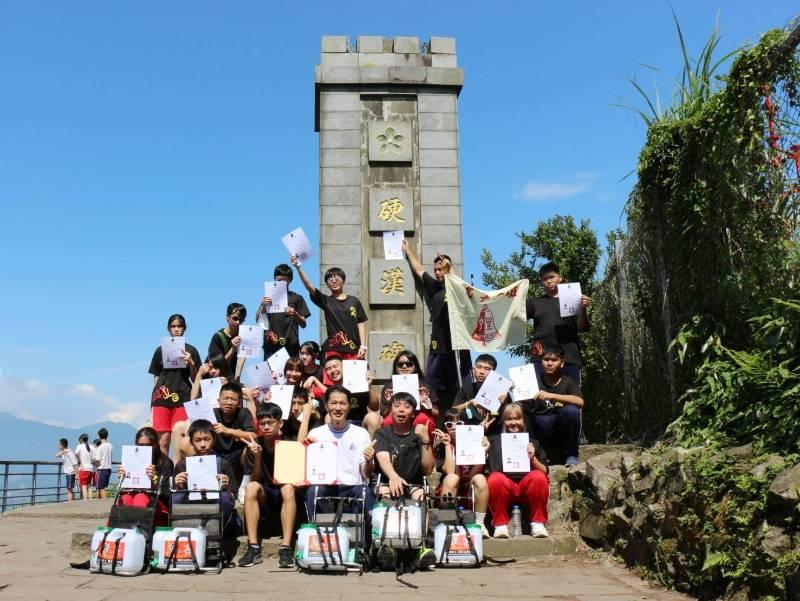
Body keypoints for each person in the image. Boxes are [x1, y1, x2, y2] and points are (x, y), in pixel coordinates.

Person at [402, 240, 472, 410]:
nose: (438, 272)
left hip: (457, 346)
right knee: (432, 387)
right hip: (438, 346)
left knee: (461, 387)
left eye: (442, 269)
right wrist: (408, 250)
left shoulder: (459, 287)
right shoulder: (435, 287)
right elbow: (419, 270)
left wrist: (451, 271)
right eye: (436, 270)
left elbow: (468, 296)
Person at [373, 391, 436, 568]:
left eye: (407, 407)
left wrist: (425, 440)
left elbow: (428, 469)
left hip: (413, 483)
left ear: (413, 413)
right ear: (390, 410)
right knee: (384, 492)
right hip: (387, 481)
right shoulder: (382, 433)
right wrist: (393, 477)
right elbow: (383, 459)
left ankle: (421, 547)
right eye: (397, 406)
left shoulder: (419, 435)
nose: (401, 410)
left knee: (421, 495)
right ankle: (386, 546)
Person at [238, 403, 299, 568]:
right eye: (262, 423)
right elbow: (255, 478)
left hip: (285, 493)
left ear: (280, 423)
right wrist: (257, 457)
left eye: (270, 423)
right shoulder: (254, 444)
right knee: (251, 487)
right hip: (265, 494)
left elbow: (294, 477)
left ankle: (285, 548)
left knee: (287, 488)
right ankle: (253, 547)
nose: (265, 427)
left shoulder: (289, 442)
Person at [304, 385, 375, 525]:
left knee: (364, 491)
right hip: (326, 485)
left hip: (352, 486)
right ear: (326, 406)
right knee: (314, 490)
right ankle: (321, 537)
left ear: (349, 407)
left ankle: (364, 543)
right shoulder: (316, 434)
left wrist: (369, 461)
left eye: (343, 403)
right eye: (333, 403)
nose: (338, 408)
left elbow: (366, 474)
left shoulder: (361, 433)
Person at [486, 403, 550, 539]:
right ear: (504, 421)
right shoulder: (493, 441)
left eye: (517, 418)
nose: (513, 422)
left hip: (527, 486)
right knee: (494, 478)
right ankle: (500, 525)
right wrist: (483, 445)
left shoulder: (533, 442)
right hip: (504, 487)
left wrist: (533, 459)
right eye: (509, 419)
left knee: (539, 477)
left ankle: (538, 523)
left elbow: (545, 470)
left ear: (523, 420)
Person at [525, 262, 590, 384]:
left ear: (560, 277)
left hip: (569, 357)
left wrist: (583, 309)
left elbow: (583, 328)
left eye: (551, 277)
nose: (549, 281)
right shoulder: (534, 303)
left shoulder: (575, 299)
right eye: (545, 279)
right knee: (539, 398)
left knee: (570, 397)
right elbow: (516, 318)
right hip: (541, 357)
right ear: (541, 281)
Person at [173, 419, 238, 540]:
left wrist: (225, 486)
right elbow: (176, 493)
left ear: (214, 440)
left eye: (207, 439)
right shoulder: (182, 465)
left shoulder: (223, 464)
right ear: (191, 442)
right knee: (175, 497)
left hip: (215, 499)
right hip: (192, 500)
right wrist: (178, 485)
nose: (203, 444)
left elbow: (233, 495)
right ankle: (184, 534)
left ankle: (215, 535)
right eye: (197, 440)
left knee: (225, 497)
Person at [292, 257, 368, 360]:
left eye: (337, 278)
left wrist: (363, 346)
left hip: (354, 349)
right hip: (334, 350)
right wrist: (298, 267)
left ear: (343, 281)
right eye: (330, 279)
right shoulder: (326, 301)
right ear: (327, 284)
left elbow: (360, 324)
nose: (334, 281)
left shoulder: (354, 301)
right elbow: (309, 287)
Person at [148, 314, 202, 454]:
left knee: (180, 439)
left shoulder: (191, 350)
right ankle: (164, 474)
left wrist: (191, 363)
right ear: (168, 329)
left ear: (185, 328)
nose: (176, 329)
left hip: (183, 398)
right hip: (161, 398)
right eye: (173, 326)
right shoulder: (160, 350)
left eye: (179, 326)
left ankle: (179, 473)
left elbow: (196, 378)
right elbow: (156, 376)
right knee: (163, 440)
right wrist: (154, 396)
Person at [524, 345, 584, 467]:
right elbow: (522, 406)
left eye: (554, 360)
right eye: (546, 360)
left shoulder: (568, 381)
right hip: (538, 428)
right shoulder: (532, 381)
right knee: (518, 409)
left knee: (571, 411)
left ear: (561, 363)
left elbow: (580, 402)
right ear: (541, 362)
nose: (549, 363)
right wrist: (517, 390)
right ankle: (526, 455)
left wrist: (551, 396)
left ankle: (571, 455)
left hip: (558, 427)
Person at [434, 411, 491, 538]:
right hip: (449, 490)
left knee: (480, 478)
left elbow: (472, 476)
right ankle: (446, 523)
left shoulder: (476, 443)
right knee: (452, 478)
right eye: (449, 424)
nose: (454, 427)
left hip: (469, 491)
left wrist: (483, 453)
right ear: (445, 428)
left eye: (459, 423)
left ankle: (480, 523)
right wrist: (447, 446)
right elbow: (449, 472)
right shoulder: (441, 447)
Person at [363, 350, 437, 439]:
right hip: (397, 417)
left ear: (416, 366)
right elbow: (384, 414)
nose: (404, 366)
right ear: (395, 367)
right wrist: (390, 402)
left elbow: (436, 412)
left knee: (422, 419)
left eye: (409, 364)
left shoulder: (425, 386)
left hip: (420, 415)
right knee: (388, 422)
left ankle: (426, 448)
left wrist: (423, 403)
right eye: (400, 364)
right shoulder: (389, 387)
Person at [116, 426, 174, 526]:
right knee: (125, 498)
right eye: (140, 445)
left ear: (156, 444)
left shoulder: (165, 463)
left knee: (140, 498)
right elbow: (125, 489)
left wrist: (154, 483)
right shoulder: (130, 460)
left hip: (157, 503)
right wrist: (123, 478)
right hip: (133, 497)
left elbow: (167, 495)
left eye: (148, 445)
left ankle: (141, 533)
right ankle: (119, 534)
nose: (144, 449)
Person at [255, 263, 311, 360]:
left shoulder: (297, 298)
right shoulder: (267, 298)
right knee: (272, 375)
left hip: (291, 347)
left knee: (292, 374)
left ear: (290, 280)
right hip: (271, 347)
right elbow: (258, 320)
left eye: (285, 281)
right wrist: (263, 305)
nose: (281, 283)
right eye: (279, 280)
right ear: (274, 279)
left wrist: (295, 314)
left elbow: (303, 324)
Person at [452, 354, 509, 435]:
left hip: (494, 437)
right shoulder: (466, 389)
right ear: (474, 369)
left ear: (494, 372)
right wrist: (470, 403)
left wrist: (505, 403)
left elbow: (511, 415)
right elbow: (452, 411)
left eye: (487, 369)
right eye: (479, 367)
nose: (482, 372)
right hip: (470, 435)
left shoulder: (502, 391)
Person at [211, 382, 257, 484]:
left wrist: (228, 431)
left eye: (233, 399)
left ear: (239, 403)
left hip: (237, 455)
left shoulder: (243, 413)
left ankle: (245, 483)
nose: (229, 402)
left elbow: (253, 436)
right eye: (225, 398)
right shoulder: (212, 413)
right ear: (219, 401)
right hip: (215, 454)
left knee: (252, 445)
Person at [320, 353, 377, 424]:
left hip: (360, 423)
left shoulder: (358, 384)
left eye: (335, 366)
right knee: (328, 417)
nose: (332, 370)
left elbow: (375, 408)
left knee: (373, 417)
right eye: (328, 369)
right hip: (340, 425)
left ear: (344, 367)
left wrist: (369, 386)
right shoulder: (329, 392)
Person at [208, 302, 247, 381]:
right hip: (218, 380)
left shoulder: (243, 336)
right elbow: (218, 365)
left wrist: (237, 379)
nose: (238, 322)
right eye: (235, 318)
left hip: (232, 379)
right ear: (227, 317)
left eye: (241, 320)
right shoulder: (218, 337)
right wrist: (233, 349)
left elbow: (242, 358)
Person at [94, 428, 114, 499]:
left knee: (101, 488)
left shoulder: (100, 447)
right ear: (107, 436)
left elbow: (97, 460)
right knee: (101, 488)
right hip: (108, 469)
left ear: (99, 436)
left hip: (101, 469)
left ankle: (104, 504)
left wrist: (94, 462)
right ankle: (99, 504)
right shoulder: (110, 446)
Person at [75, 433, 94, 500]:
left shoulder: (79, 446)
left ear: (81, 439)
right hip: (90, 469)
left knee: (83, 486)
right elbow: (93, 458)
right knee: (89, 486)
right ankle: (90, 500)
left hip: (83, 469)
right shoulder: (91, 447)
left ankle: (85, 501)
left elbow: (76, 453)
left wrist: (80, 460)